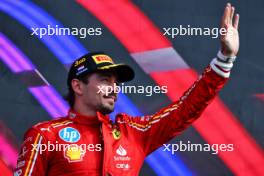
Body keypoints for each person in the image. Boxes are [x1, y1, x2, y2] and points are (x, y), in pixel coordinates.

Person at [14, 3, 239, 176]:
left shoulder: (133, 133)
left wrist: (225, 59)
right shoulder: (45, 136)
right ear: (77, 86)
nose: (113, 88)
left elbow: (185, 109)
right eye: (104, 80)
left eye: (115, 82)